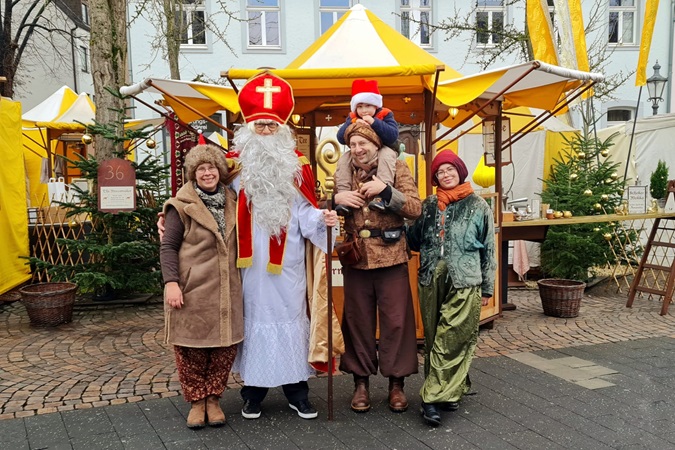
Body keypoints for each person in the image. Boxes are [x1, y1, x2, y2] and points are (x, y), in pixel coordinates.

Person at [333, 122, 422, 414]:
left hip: (391, 257)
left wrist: (386, 191)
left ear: (375, 144)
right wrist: (335, 200)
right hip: (356, 258)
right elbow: (324, 209)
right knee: (357, 321)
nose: (358, 149)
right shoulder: (343, 172)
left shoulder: (397, 167)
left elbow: (415, 208)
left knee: (396, 321)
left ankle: (396, 384)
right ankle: (361, 383)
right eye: (353, 145)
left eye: (363, 143)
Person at [405, 150, 496, 427]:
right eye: (440, 172)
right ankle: (452, 390)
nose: (445, 175)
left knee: (451, 337)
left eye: (450, 170)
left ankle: (431, 398)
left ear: (460, 171)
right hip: (431, 278)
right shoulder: (430, 204)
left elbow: (489, 249)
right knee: (435, 337)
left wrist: (487, 288)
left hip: (466, 279)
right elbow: (414, 239)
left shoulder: (478, 205)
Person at [160, 144, 242, 429]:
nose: (208, 173)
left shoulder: (234, 201)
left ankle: (214, 399)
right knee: (191, 348)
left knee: (223, 348)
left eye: (212, 168)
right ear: (193, 174)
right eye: (201, 169)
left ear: (220, 171)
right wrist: (171, 282)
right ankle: (197, 401)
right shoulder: (180, 206)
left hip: (227, 288)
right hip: (193, 288)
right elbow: (168, 247)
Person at [334, 79, 400, 214]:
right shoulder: (353, 117)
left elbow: (392, 135)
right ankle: (344, 195)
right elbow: (341, 138)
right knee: (344, 159)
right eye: (360, 107)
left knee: (386, 156)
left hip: (385, 148)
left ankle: (382, 194)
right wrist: (353, 123)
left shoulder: (385, 114)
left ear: (376, 105)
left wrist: (374, 122)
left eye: (368, 105)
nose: (364, 111)